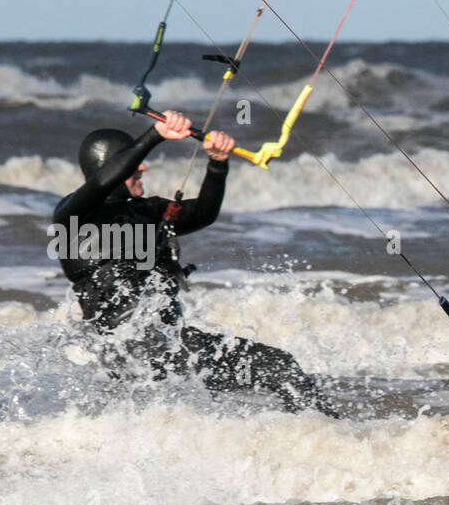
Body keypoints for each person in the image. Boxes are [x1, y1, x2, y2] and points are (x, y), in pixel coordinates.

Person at [51, 111, 337, 416]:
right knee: (278, 366)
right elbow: (99, 185)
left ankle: (312, 437)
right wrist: (154, 135)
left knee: (272, 371)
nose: (143, 167)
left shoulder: (148, 211)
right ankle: (334, 438)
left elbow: (203, 214)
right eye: (132, 161)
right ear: (111, 168)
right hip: (135, 349)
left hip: (162, 347)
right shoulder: (73, 219)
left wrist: (217, 165)